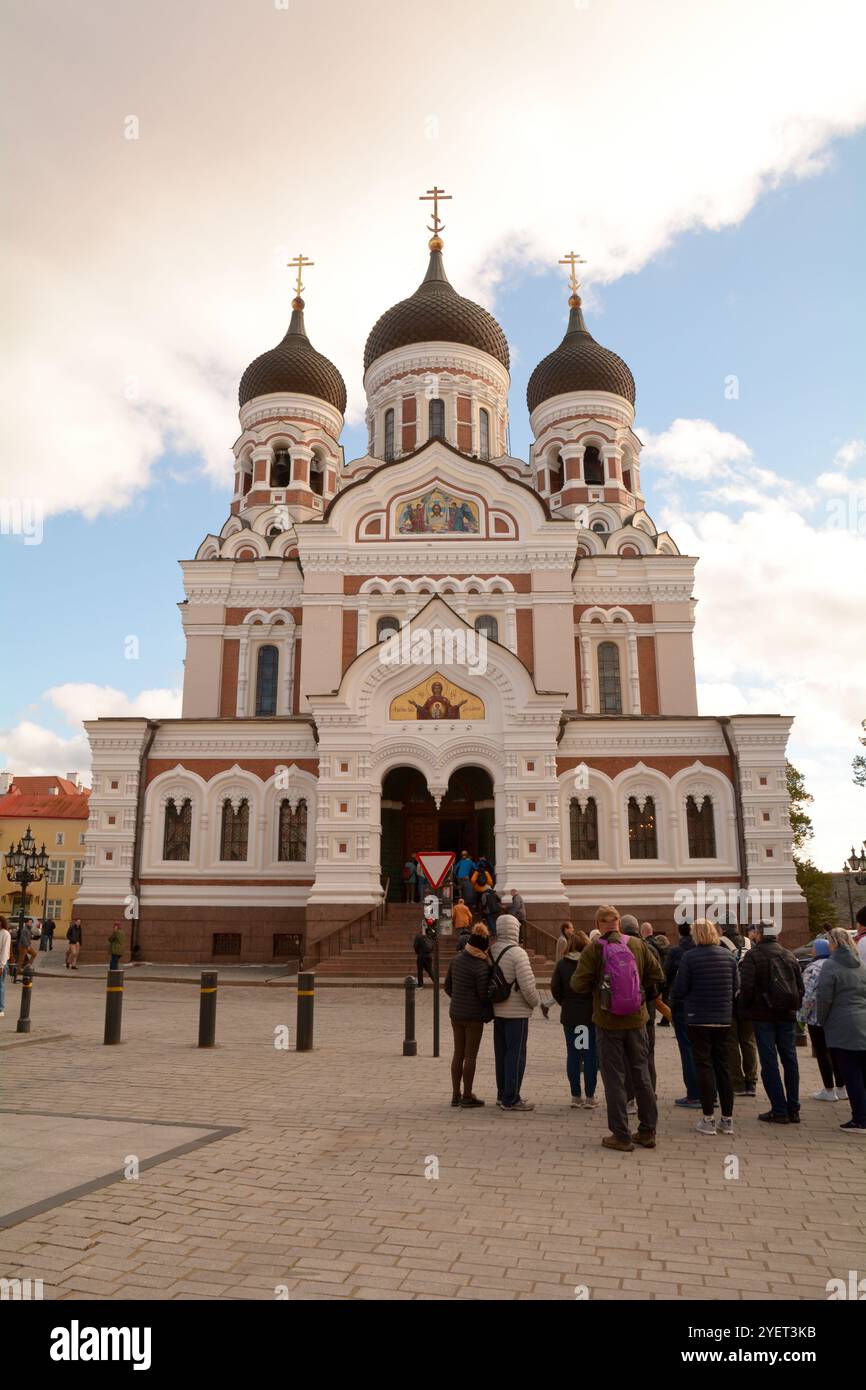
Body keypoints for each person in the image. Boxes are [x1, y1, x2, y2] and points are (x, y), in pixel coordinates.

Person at [570, 904, 664, 1152]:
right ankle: (647, 1131)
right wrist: (636, 988)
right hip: (636, 1020)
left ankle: (621, 1135)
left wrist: (599, 986)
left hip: (608, 1021)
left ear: (599, 924)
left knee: (614, 1078)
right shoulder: (637, 944)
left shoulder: (594, 950)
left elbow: (577, 984)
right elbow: (658, 975)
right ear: (618, 923)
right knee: (641, 1074)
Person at [671, 919, 739, 1136]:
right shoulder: (728, 956)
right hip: (723, 1019)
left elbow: (680, 989)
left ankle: (708, 1119)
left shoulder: (689, 957)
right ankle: (727, 1120)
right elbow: (736, 987)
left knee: (704, 1066)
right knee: (723, 1067)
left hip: (698, 1018)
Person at [738, 919, 804, 1125]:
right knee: (790, 1060)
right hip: (787, 1015)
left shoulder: (754, 955)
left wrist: (745, 1009)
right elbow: (800, 988)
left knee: (769, 1061)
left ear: (758, 934)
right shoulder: (789, 954)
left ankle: (779, 1109)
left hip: (763, 1016)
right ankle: (793, 1108)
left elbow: (746, 988)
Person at [816, 927, 866, 1133]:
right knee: (864, 1072)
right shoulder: (861, 964)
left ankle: (860, 1119)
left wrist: (821, 1019)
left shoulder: (831, 965)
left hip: (842, 1024)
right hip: (863, 1020)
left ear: (834, 943)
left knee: (851, 1074)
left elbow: (824, 998)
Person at [490, 914, 540, 1111]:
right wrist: (535, 1002)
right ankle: (512, 1099)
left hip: (497, 1010)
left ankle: (502, 1094)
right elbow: (528, 986)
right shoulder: (518, 953)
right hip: (517, 1013)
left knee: (501, 1054)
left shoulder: (492, 950)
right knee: (516, 1055)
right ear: (515, 929)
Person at [444, 923, 493, 1107]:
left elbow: (448, 986)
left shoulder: (456, 959)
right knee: (470, 1056)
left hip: (456, 1014)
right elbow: (483, 995)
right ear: (483, 947)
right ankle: (467, 1095)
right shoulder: (481, 965)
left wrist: (458, 999)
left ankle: (455, 1095)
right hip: (473, 1018)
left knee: (458, 1053)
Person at [550, 930, 598, 1107]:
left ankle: (575, 1095)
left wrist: (565, 1002)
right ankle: (590, 1096)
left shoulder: (562, 964)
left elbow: (555, 988)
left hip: (571, 1016)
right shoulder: (590, 964)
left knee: (574, 1054)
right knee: (590, 1055)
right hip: (588, 1016)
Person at [799, 937, 846, 1101]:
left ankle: (828, 1089)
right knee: (836, 1051)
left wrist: (801, 1016)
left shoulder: (812, 968)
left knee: (822, 1052)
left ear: (817, 951)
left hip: (816, 1017)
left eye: (813, 948)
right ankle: (842, 1087)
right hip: (835, 1016)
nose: (811, 951)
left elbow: (807, 996)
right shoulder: (837, 966)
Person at [718, 923, 758, 1097]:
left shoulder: (719, 943)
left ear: (723, 928)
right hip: (748, 1000)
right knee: (748, 1042)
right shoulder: (750, 943)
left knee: (731, 1042)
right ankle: (752, 1081)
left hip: (729, 1000)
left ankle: (737, 1083)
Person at [665, 924, 702, 1109]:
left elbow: (667, 978)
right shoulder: (715, 952)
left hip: (683, 1008)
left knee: (687, 1050)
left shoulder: (678, 952)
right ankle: (711, 1092)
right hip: (707, 1008)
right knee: (707, 1051)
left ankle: (694, 1093)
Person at [541, 922, 575, 1019]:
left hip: (561, 969)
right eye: (571, 928)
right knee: (563, 990)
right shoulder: (563, 941)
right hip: (562, 970)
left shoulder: (563, 939)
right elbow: (563, 956)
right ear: (565, 929)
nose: (573, 930)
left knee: (563, 990)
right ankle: (546, 1005)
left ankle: (546, 1005)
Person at [412, 924, 436, 989]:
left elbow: (415, 946)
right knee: (430, 970)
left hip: (421, 955)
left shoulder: (419, 936)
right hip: (429, 955)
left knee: (420, 970)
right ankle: (436, 982)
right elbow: (433, 946)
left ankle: (420, 985)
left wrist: (417, 952)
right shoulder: (430, 936)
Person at [0, 915, 11, 1017]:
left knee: (0, 986)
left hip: (1, 963)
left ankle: (1, 1008)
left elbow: (5, 951)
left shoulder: (5, 934)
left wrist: (2, 965)